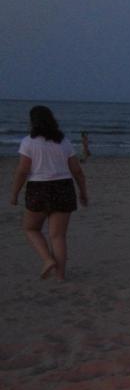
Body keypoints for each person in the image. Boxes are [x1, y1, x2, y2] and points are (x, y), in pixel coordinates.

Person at [9, 105, 89, 280]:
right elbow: (77, 171)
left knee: (31, 228)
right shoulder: (64, 142)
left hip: (39, 188)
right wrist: (83, 192)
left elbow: (22, 171)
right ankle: (60, 277)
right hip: (64, 188)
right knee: (58, 236)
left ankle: (47, 259)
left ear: (33, 122)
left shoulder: (28, 142)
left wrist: (14, 193)